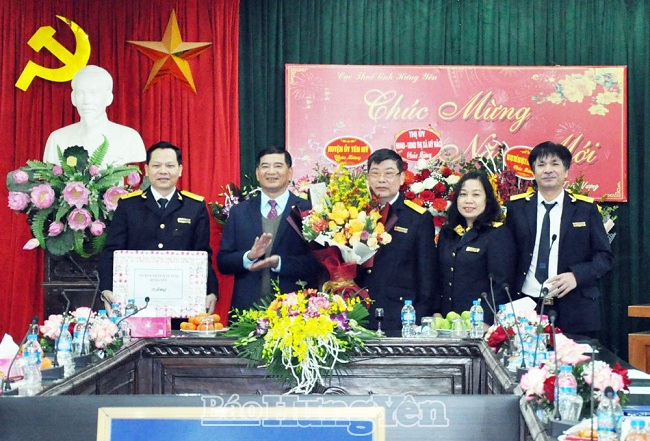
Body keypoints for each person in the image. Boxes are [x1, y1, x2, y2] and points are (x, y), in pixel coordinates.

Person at [505, 141, 613, 337]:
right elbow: (506, 255)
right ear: (533, 172)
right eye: (541, 164)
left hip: (575, 306)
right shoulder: (517, 208)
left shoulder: (585, 209)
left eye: (555, 164)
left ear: (566, 171)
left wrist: (577, 276)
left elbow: (604, 257)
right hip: (527, 305)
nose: (548, 170)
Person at [98, 141, 218, 314]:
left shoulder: (194, 207)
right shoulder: (128, 205)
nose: (163, 171)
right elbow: (112, 251)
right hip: (135, 305)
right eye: (156, 166)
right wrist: (106, 288)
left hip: (181, 305)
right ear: (147, 170)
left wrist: (211, 291)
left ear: (180, 170)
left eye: (170, 166)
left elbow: (202, 254)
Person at [217, 146, 321, 312]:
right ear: (257, 173)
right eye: (265, 166)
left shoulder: (308, 210)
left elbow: (318, 262)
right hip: (247, 311)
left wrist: (280, 263)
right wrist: (249, 256)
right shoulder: (239, 212)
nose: (271, 171)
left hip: (295, 311)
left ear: (290, 173)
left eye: (278, 166)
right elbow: (223, 262)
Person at [355, 148, 438, 332]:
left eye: (389, 173)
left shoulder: (417, 218)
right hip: (359, 314)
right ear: (368, 178)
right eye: (375, 173)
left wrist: (418, 318)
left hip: (400, 316)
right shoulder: (356, 213)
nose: (381, 179)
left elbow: (427, 275)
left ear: (401, 178)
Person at [437, 171, 515, 325]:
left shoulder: (497, 234)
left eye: (476, 195)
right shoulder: (448, 232)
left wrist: (487, 320)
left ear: (487, 199)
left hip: (478, 323)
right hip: (446, 321)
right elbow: (438, 276)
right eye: (463, 194)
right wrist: (436, 311)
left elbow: (501, 285)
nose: (468, 200)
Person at [43, 65, 146, 167]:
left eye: (94, 93)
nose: (87, 101)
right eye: (80, 93)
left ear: (108, 97)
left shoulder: (130, 138)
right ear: (73, 98)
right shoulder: (57, 139)